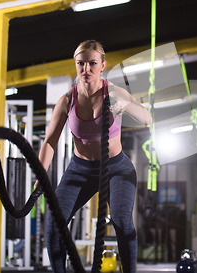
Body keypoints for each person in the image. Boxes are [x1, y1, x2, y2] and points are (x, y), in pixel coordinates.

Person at [37, 40, 152, 272]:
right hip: (80, 170)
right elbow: (50, 140)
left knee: (122, 221)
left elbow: (146, 117)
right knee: (54, 224)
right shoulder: (67, 100)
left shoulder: (114, 92)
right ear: (76, 65)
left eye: (92, 63)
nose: (86, 69)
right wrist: (41, 174)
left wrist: (124, 106)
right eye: (81, 64)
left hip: (117, 169)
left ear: (102, 65)